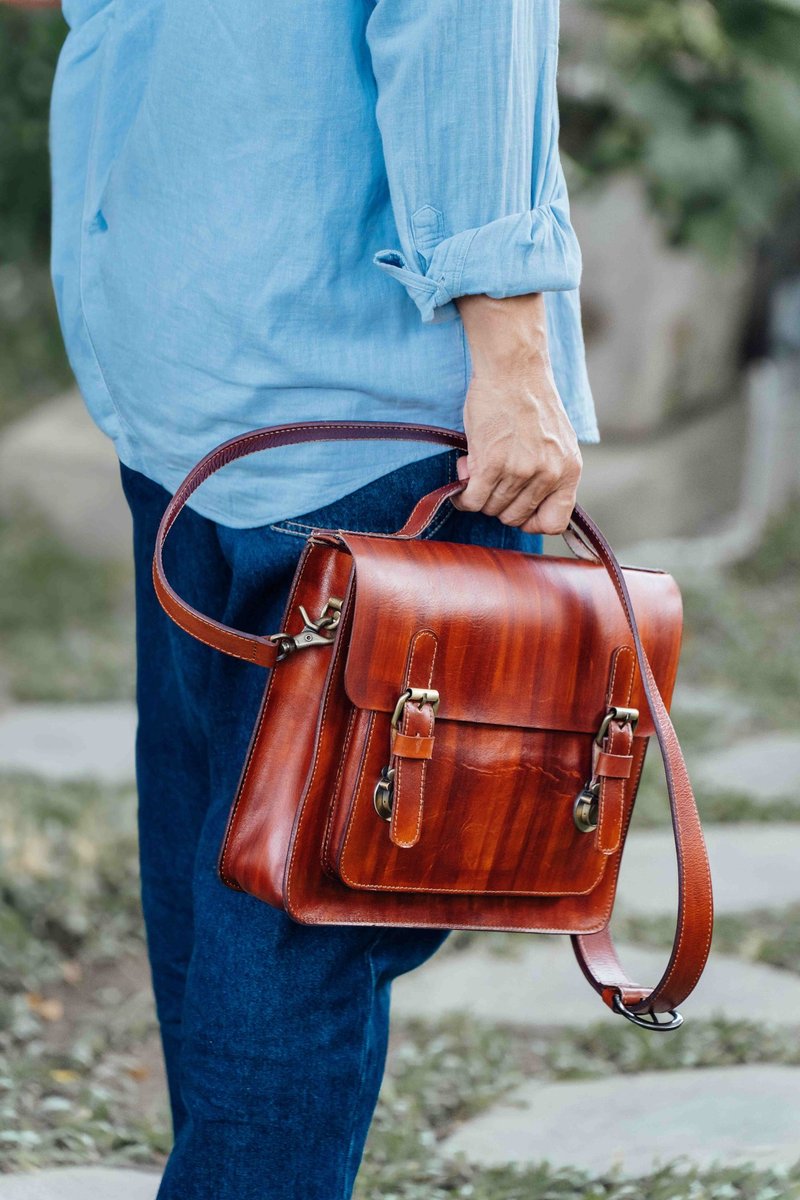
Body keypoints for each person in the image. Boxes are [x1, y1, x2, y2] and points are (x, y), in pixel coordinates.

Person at [49, 1, 597, 1195]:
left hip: (182, 366)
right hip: (357, 393)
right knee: (290, 934)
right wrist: (511, 356)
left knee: (220, 880)